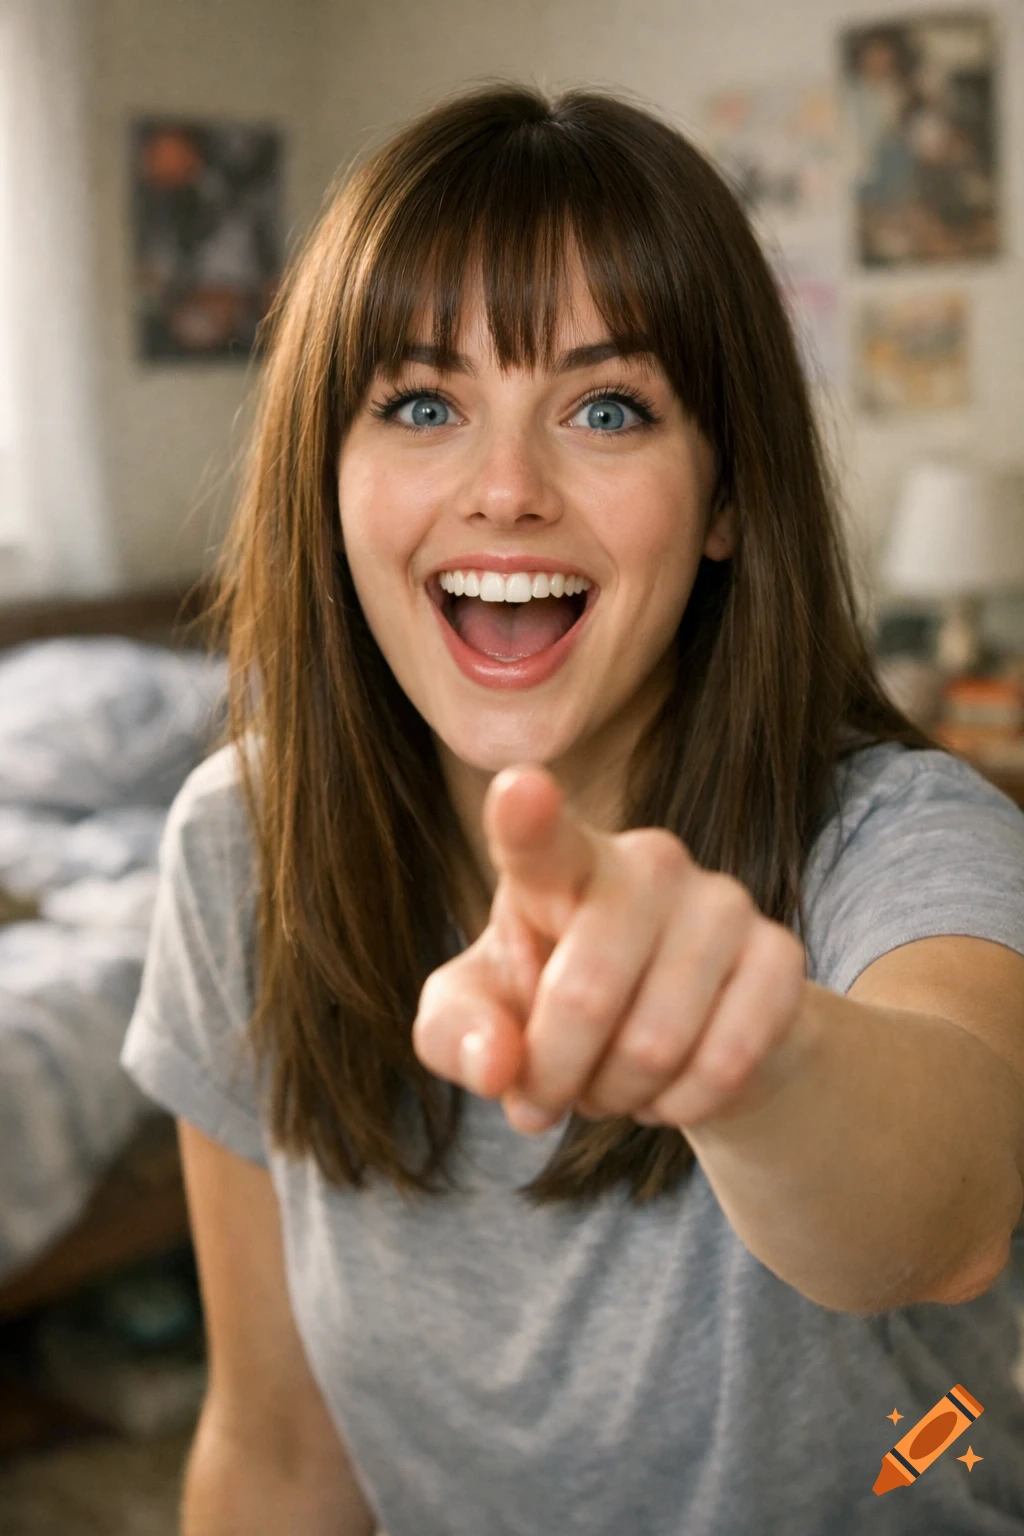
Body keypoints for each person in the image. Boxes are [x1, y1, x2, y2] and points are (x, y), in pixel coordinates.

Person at [120, 82, 1024, 1535]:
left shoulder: (911, 838)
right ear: (329, 477)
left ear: (726, 496)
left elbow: (956, 1210)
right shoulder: (239, 849)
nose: (506, 490)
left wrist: (760, 1057)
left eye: (608, 408)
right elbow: (280, 1455)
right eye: (423, 405)